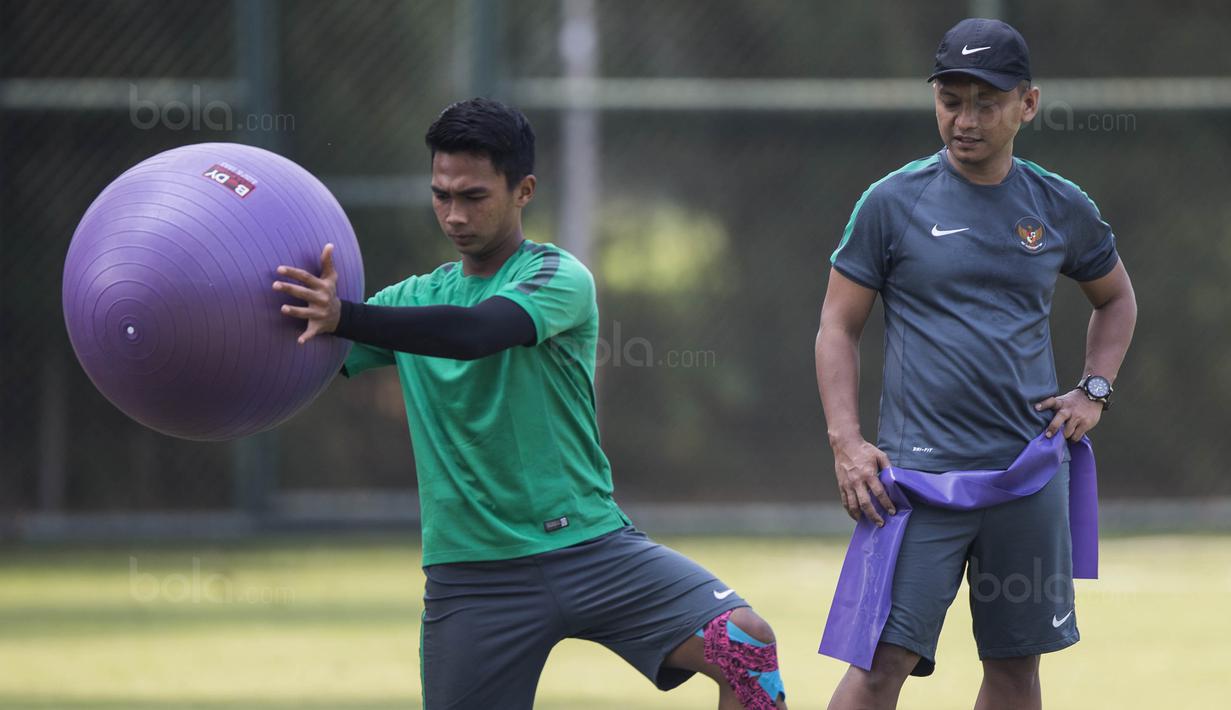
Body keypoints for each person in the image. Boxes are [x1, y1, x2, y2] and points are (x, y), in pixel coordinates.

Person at [272, 97, 788, 710]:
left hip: (592, 551)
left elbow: (477, 334)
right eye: (442, 195)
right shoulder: (413, 299)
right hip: (472, 579)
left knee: (745, 647)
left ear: (524, 191)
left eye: (473, 196)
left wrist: (348, 316)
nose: (454, 214)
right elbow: (299, 360)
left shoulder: (556, 276)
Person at [815, 18, 1137, 710]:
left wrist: (1093, 389)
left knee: (1016, 667)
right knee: (881, 662)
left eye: (985, 102)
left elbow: (1115, 299)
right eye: (950, 99)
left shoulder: (1057, 206)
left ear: (1027, 104)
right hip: (917, 481)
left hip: (1025, 474)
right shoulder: (891, 202)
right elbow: (836, 327)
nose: (964, 119)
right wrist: (846, 443)